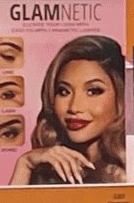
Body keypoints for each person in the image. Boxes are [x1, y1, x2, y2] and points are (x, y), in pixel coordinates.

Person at [10, 35, 126, 185]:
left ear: (121, 96)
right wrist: (24, 164)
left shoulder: (126, 175)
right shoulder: (44, 169)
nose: (74, 107)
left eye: (93, 91)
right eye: (64, 91)